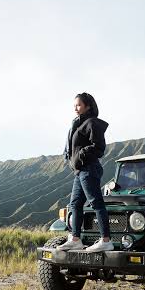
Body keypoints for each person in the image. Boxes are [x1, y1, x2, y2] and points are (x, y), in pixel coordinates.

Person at [57, 92, 114, 253]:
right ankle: (75, 239)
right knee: (75, 204)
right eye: (74, 105)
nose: (75, 108)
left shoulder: (91, 123)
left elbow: (99, 147)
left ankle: (106, 240)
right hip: (80, 170)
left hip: (89, 168)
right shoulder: (77, 124)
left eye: (79, 105)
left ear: (88, 106)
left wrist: (80, 156)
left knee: (96, 203)